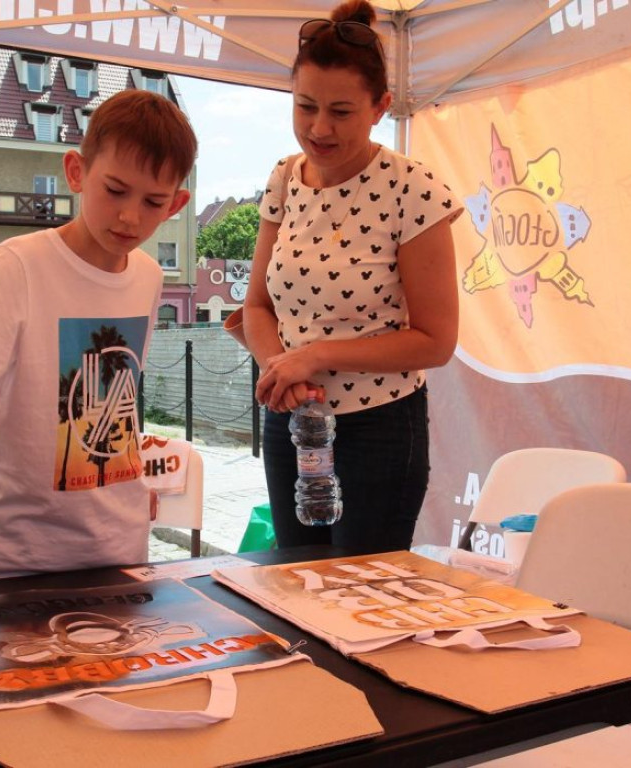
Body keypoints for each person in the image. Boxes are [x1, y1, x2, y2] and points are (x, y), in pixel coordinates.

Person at [0, 90, 196, 596]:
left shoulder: (147, 274)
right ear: (76, 172)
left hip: (122, 548)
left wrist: (127, 471)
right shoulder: (19, 266)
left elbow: (115, 388)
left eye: (153, 202)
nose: (129, 217)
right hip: (20, 560)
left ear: (176, 205)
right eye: (114, 190)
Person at [242, 0, 463, 554]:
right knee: (290, 585)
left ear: (381, 107)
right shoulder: (283, 179)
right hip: (292, 420)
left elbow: (435, 342)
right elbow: (256, 308)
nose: (319, 128)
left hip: (380, 427)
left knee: (363, 600)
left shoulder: (412, 190)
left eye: (340, 111)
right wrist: (283, 370)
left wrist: (315, 355)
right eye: (305, 107)